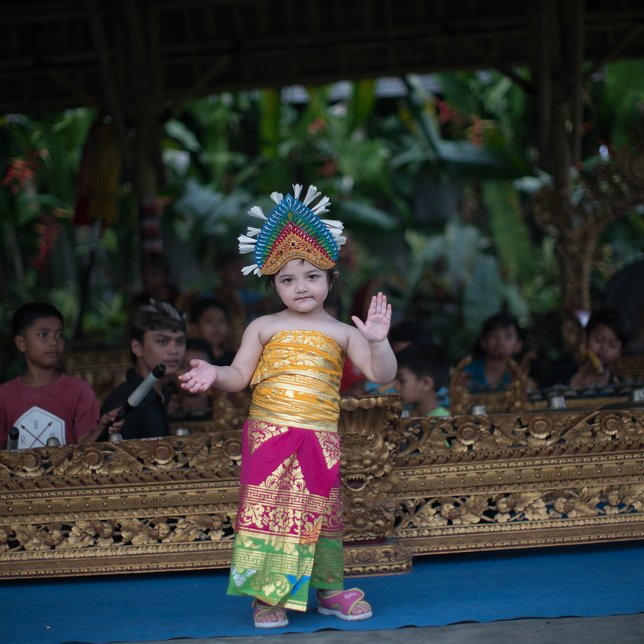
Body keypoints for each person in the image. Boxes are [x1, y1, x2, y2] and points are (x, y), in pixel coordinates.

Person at [179, 184, 397, 629]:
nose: (301, 286)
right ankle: (266, 595)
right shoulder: (262, 326)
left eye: (312, 276)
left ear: (331, 279)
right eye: (287, 279)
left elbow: (383, 375)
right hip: (270, 434)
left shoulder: (343, 332)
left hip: (320, 436)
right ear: (273, 283)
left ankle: (331, 592)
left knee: (324, 513)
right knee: (270, 511)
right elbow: (238, 377)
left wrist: (380, 341)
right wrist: (213, 373)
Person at [0, 303, 119, 449]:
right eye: (43, 334)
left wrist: (101, 428)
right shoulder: (4, 395)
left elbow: (86, 448)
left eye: (59, 335)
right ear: (21, 343)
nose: (53, 342)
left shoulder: (79, 391)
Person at [101, 300, 187, 440]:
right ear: (137, 348)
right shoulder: (125, 404)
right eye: (162, 341)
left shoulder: (164, 396)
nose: (174, 350)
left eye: (180, 341)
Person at [541, 307, 631, 388]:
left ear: (620, 351)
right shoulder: (558, 375)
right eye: (598, 339)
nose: (604, 348)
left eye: (612, 344)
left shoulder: (621, 387)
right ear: (585, 338)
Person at [463, 312, 524, 391]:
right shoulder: (467, 373)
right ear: (483, 342)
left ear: (518, 344)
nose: (500, 341)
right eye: (493, 335)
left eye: (508, 336)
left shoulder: (522, 376)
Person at [396, 341, 451, 417]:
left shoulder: (442, 423)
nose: (396, 387)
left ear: (426, 384)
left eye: (402, 381)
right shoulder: (413, 418)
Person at [167, 337, 214, 420]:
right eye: (183, 367)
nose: (191, 373)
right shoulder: (162, 406)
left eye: (200, 367)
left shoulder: (227, 408)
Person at [189, 297, 236, 366]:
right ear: (195, 326)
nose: (216, 327)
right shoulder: (189, 356)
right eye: (209, 321)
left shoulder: (235, 358)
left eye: (221, 321)